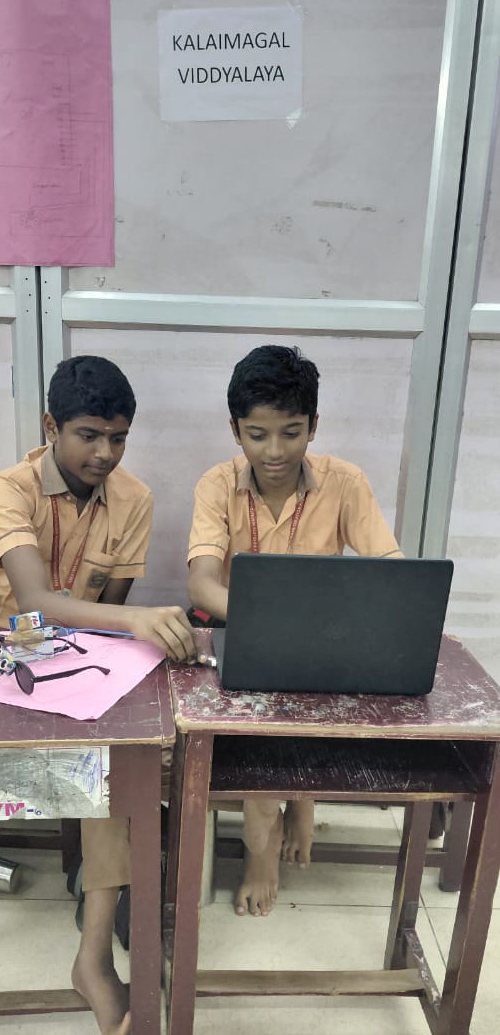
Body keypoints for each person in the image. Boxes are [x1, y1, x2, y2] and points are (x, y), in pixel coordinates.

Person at [0, 354, 196, 1035]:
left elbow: (104, 619)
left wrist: (111, 631)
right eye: (89, 435)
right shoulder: (8, 488)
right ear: (51, 427)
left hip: (80, 658)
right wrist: (128, 621)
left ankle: (92, 960)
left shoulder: (135, 497)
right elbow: (33, 604)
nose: (105, 453)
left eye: (119, 437)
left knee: (115, 768)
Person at [187, 345, 401, 918]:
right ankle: (263, 848)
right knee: (258, 742)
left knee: (320, 709)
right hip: (243, 635)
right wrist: (270, 626)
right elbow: (203, 588)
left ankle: (302, 799)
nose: (274, 451)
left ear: (314, 426)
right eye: (257, 434)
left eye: (292, 431)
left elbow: (389, 571)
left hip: (322, 643)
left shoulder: (346, 482)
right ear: (235, 430)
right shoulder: (216, 484)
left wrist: (338, 625)